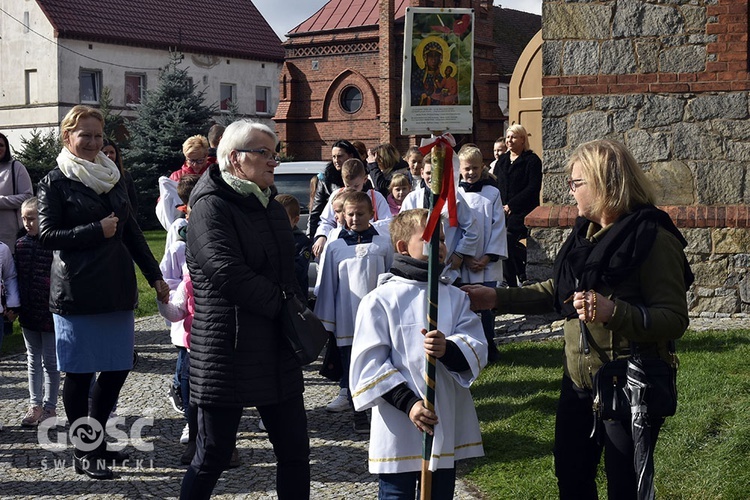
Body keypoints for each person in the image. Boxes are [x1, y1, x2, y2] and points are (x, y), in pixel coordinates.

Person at [463, 139, 694, 499]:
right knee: (571, 477)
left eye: (576, 183)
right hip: (577, 383)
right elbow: (560, 291)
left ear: (605, 184)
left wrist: (614, 312)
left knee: (625, 488)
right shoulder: (584, 234)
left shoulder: (653, 238)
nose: (570, 192)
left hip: (629, 386)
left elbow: (674, 318)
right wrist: (497, 297)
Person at [37, 105, 169, 480]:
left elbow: (131, 232)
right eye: (85, 136)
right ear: (68, 138)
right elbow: (45, 236)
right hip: (76, 293)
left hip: (116, 289)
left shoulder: (114, 178)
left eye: (98, 136)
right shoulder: (54, 181)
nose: (94, 142)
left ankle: (96, 439)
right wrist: (96, 229)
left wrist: (154, 276)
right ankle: (85, 449)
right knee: (79, 374)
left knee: (116, 368)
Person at [181, 119, 310, 499]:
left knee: (294, 452)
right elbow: (226, 272)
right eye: (265, 153)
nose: (274, 162)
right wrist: (283, 306)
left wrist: (295, 305)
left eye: (275, 154)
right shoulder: (209, 206)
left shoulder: (267, 201)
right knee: (213, 455)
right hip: (228, 348)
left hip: (275, 346)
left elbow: (286, 270)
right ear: (236, 159)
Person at [350, 208, 488, 499]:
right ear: (402, 247)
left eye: (441, 239)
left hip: (441, 418)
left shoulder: (453, 296)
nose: (440, 246)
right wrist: (410, 404)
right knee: (396, 495)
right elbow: (369, 365)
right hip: (398, 420)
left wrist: (448, 349)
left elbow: (476, 343)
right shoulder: (379, 300)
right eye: (430, 239)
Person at [314, 190, 393, 432]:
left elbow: (392, 277)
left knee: (379, 359)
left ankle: (380, 407)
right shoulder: (335, 247)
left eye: (360, 213)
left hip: (377, 317)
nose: (355, 218)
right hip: (347, 318)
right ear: (342, 216)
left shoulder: (383, 243)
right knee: (351, 364)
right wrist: (327, 322)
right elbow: (328, 285)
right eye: (350, 214)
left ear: (371, 214)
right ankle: (358, 411)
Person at [456, 145, 506, 363]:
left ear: (482, 167)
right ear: (459, 169)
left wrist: (487, 257)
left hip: (487, 260)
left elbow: (498, 226)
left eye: (475, 168)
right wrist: (464, 256)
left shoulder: (492, 193)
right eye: (467, 168)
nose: (471, 172)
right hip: (462, 260)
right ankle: (467, 346)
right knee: (463, 304)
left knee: (487, 305)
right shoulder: (455, 194)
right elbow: (455, 228)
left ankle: (489, 344)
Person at [400, 156, 479, 286]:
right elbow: (402, 229)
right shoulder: (412, 199)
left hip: (447, 267)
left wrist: (460, 253)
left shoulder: (454, 198)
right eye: (428, 173)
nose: (433, 177)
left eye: (437, 173)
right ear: (421, 173)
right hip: (416, 267)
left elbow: (472, 228)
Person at [16, 197, 59, 427]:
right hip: (29, 313)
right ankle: (35, 405)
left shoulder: (53, 245)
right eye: (24, 218)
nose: (27, 223)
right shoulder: (21, 245)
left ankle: (50, 407)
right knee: (32, 359)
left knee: (50, 363)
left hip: (50, 314)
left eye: (31, 218)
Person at [490, 124, 542, 287]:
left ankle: (515, 276)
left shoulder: (532, 160)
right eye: (507, 137)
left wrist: (512, 205)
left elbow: (533, 187)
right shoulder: (502, 160)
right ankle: (516, 277)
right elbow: (495, 183)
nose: (509, 140)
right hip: (502, 210)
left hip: (523, 212)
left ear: (522, 139)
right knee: (500, 241)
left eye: (513, 137)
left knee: (506, 241)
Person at [312, 158, 389, 258]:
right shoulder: (338, 196)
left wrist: (364, 227)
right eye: (348, 185)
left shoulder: (376, 197)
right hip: (342, 248)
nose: (353, 189)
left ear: (365, 179)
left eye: (356, 185)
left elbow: (387, 223)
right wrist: (322, 236)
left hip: (370, 249)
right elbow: (327, 221)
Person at [307, 139, 362, 238]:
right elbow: (316, 213)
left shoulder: (361, 177)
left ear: (350, 156)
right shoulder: (326, 180)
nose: (336, 160)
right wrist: (314, 238)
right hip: (334, 234)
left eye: (340, 156)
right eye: (334, 157)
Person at [156, 135, 210, 230]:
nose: (195, 165)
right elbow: (165, 200)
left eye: (200, 160)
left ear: (206, 156)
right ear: (186, 158)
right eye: (191, 160)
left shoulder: (213, 172)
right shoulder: (176, 176)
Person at [0, 132, 33, 253]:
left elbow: (28, 197)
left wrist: (2, 201)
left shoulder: (16, 167)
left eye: (1, 145)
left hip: (9, 235)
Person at [276, 194, 313, 300]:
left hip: (295, 299)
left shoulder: (302, 242)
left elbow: (298, 269)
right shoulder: (267, 238)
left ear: (295, 220)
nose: (277, 223)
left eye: (282, 219)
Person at [102, 139, 138, 217]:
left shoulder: (125, 175)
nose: (109, 155)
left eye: (112, 152)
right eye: (105, 153)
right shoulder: (96, 175)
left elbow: (133, 201)